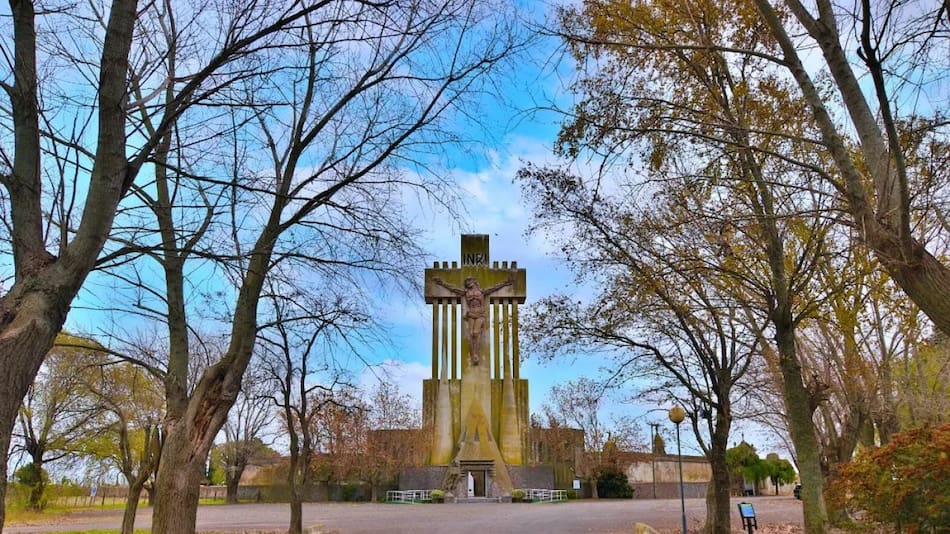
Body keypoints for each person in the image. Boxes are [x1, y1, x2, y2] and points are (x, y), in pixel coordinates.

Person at [432, 274, 513, 365]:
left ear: (474, 282)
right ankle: (473, 354)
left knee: (476, 333)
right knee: (471, 335)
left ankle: (476, 353)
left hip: (480, 314)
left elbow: (494, 288)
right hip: (470, 314)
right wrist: (442, 283)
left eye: (469, 281)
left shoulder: (481, 291)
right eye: (466, 282)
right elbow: (453, 289)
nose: (467, 283)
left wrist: (505, 283)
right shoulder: (466, 292)